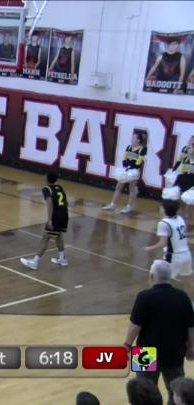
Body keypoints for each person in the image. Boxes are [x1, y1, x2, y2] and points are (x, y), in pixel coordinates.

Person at [125, 259, 194, 405]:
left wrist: (127, 345)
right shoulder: (182, 296)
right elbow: (190, 325)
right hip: (174, 350)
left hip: (145, 352)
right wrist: (191, 347)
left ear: (151, 276)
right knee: (177, 392)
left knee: (143, 392)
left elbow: (135, 325)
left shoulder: (144, 296)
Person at [20, 171, 69, 269]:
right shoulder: (59, 187)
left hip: (55, 218)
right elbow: (66, 202)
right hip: (64, 216)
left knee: (45, 238)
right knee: (58, 236)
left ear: (47, 178)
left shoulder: (46, 189)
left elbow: (50, 203)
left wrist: (50, 219)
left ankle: (35, 262)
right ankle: (62, 259)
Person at [145, 200, 193, 277]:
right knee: (188, 279)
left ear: (164, 209)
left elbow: (163, 243)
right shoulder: (180, 218)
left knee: (161, 279)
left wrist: (150, 248)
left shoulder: (164, 223)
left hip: (173, 257)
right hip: (187, 254)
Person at [103, 132, 147, 213]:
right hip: (126, 169)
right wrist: (125, 165)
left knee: (131, 189)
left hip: (133, 171)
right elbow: (124, 158)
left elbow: (138, 162)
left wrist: (131, 167)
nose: (131, 139)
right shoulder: (129, 147)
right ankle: (113, 204)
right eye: (132, 137)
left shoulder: (142, 149)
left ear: (138, 140)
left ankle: (129, 206)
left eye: (134, 138)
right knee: (118, 187)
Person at [173, 138, 194, 224]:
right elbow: (182, 170)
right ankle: (180, 220)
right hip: (183, 180)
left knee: (189, 205)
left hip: (192, 184)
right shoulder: (185, 159)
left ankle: (187, 220)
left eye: (192, 148)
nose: (189, 149)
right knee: (179, 200)